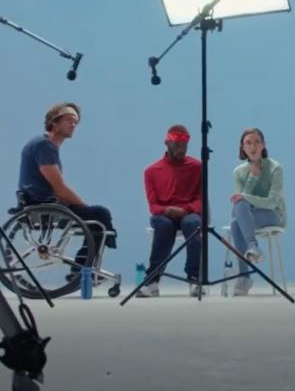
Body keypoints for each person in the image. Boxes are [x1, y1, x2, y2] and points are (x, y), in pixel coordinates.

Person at [17, 102, 118, 271]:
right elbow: (60, 189)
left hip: (44, 203)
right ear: (54, 122)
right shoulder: (44, 146)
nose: (73, 124)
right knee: (100, 214)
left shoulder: (44, 146)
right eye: (69, 120)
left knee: (98, 218)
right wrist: (85, 207)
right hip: (43, 206)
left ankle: (82, 268)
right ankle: (83, 269)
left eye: (75, 121)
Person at [138, 125, 202, 297]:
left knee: (194, 224)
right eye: (176, 144)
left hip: (188, 213)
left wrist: (185, 209)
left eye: (184, 144)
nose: (181, 148)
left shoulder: (197, 167)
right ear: (167, 143)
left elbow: (200, 199)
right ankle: (152, 280)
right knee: (164, 226)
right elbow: (153, 206)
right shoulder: (151, 171)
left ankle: (194, 277)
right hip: (164, 215)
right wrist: (167, 210)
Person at [229, 128, 287, 296]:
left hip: (273, 215)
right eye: (248, 143)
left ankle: (244, 275)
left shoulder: (275, 168)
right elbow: (240, 202)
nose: (253, 146)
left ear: (263, 145)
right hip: (248, 217)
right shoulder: (239, 172)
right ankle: (253, 248)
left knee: (238, 215)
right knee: (236, 218)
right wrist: (252, 177)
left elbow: (271, 202)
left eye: (256, 142)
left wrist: (246, 198)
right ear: (242, 147)